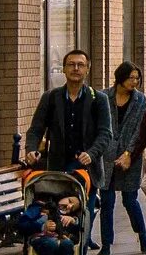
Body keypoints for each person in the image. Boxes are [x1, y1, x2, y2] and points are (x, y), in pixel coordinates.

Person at [23, 49, 114, 179]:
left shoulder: (99, 99)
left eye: (80, 65)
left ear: (87, 70)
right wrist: (31, 149)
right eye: (71, 64)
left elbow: (105, 133)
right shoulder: (50, 97)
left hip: (87, 170)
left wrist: (91, 153)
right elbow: (35, 129)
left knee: (84, 200)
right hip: (57, 170)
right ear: (64, 69)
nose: (76, 68)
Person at [95, 62, 146, 255]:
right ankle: (106, 245)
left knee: (130, 200)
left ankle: (143, 236)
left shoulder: (140, 99)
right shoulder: (103, 97)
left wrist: (129, 153)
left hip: (131, 156)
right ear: (120, 77)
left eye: (137, 78)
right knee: (107, 201)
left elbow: (139, 129)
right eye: (131, 78)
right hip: (107, 156)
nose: (134, 82)